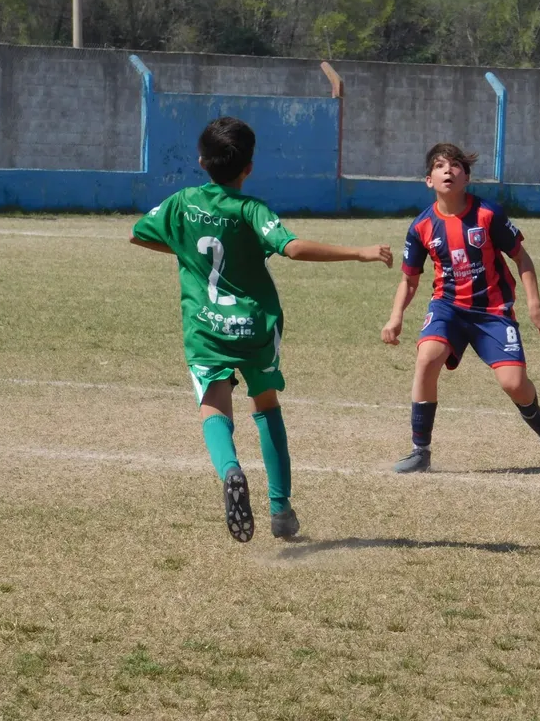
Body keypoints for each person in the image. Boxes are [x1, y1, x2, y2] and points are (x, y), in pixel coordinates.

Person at [130, 116, 393, 543]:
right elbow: (292, 247)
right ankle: (280, 509)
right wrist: (358, 252)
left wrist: (182, 248)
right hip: (254, 325)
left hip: (205, 325)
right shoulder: (251, 210)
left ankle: (230, 469)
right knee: (266, 406)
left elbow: (138, 234)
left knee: (214, 404)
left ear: (201, 161)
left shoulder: (182, 202)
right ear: (249, 167)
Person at [381, 143, 540, 473]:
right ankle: (420, 450)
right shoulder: (421, 227)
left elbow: (521, 258)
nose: (447, 170)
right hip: (448, 308)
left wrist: (535, 305)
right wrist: (395, 318)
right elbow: (408, 280)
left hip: (493, 310)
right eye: (439, 166)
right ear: (428, 180)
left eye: (455, 166)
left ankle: (534, 413)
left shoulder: (488, 215)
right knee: (427, 357)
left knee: (513, 384)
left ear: (467, 177)